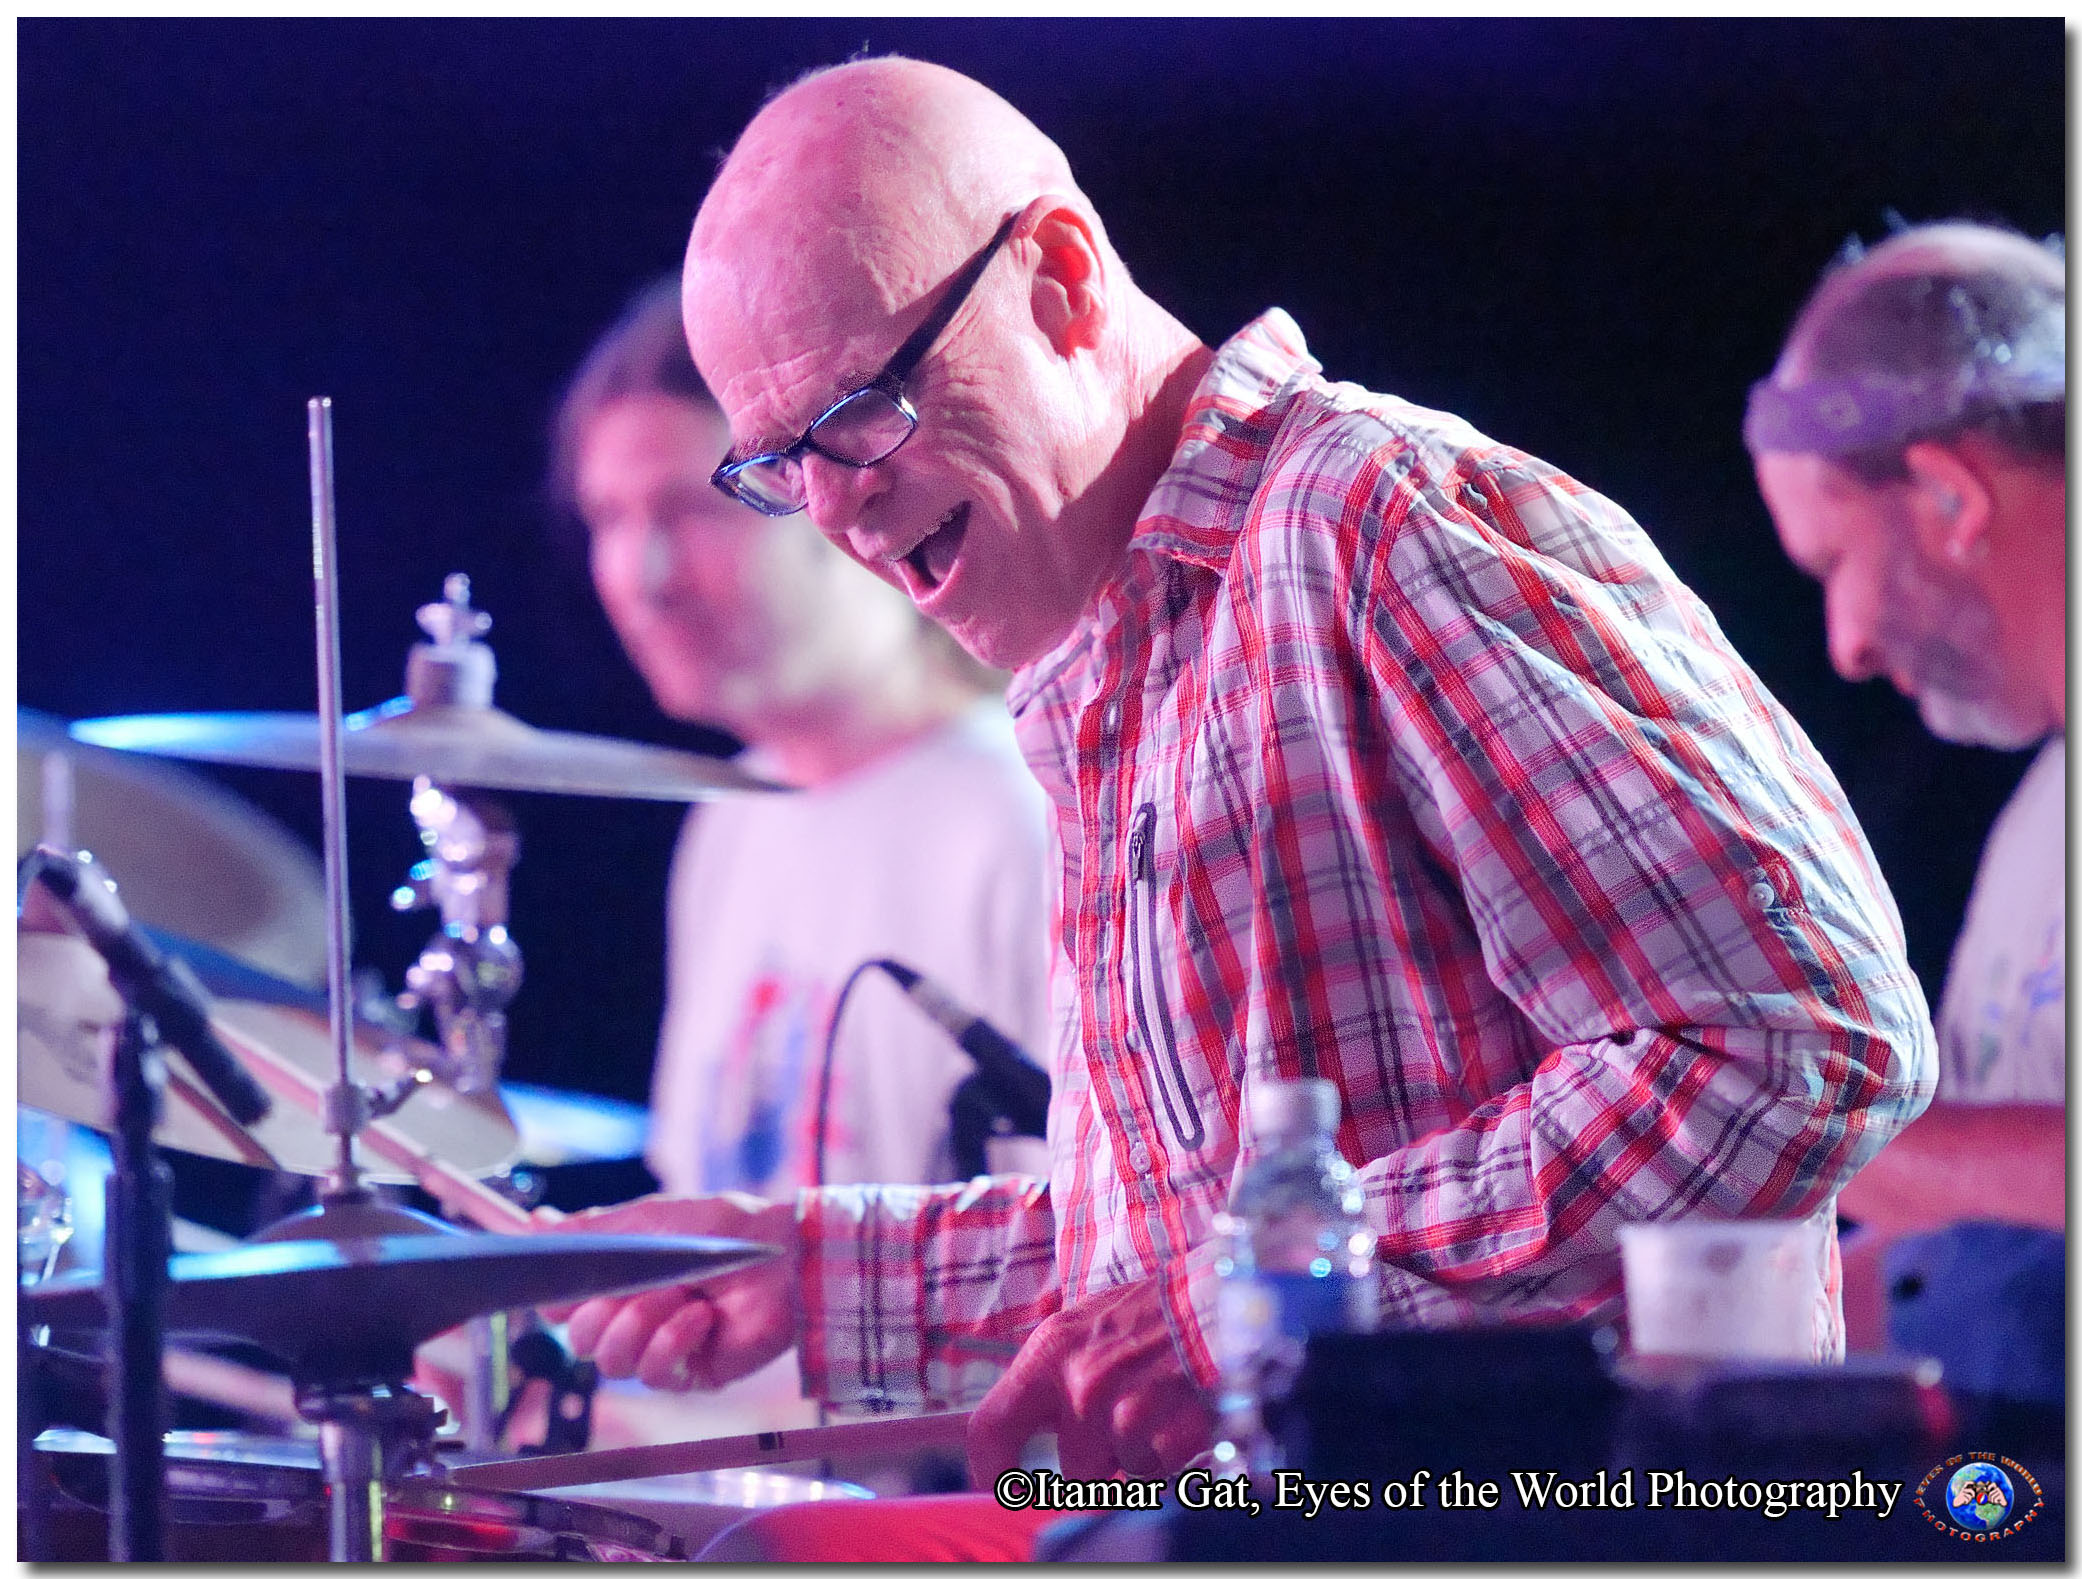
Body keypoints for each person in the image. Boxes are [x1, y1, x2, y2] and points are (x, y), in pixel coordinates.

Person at [552, 57, 1936, 1494]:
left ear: (1062, 280)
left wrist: (1251, 1300)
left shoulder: (1375, 522)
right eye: (780, 465)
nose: (837, 509)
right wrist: (815, 1276)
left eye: (860, 412)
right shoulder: (1117, 660)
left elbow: (1804, 1038)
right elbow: (1163, 1270)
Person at [460, 280, 1051, 1448]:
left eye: (690, 508)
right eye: (607, 518)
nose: (642, 575)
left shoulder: (1021, 815)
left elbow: (1116, 1267)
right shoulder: (729, 820)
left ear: (847, 496)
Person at [1745, 221, 2065, 1346]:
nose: (1846, 646)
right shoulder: (2037, 820)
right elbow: (1990, 1252)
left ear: (1948, 496)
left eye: (1835, 562)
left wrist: (1788, 1126)